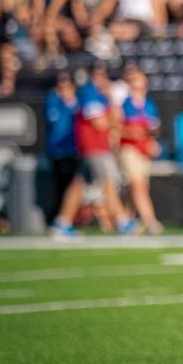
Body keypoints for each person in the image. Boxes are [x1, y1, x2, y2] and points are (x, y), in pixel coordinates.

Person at [75, 63, 137, 235]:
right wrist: (113, 119)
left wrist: (112, 102)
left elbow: (117, 118)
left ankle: (63, 221)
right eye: (98, 74)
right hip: (93, 146)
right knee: (108, 182)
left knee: (78, 185)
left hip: (100, 145)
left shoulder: (103, 95)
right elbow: (100, 123)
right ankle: (122, 220)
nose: (102, 78)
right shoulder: (89, 92)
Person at [117, 67, 163, 235]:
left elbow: (154, 128)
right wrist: (130, 132)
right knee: (138, 186)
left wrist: (152, 140)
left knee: (137, 187)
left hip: (144, 148)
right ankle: (150, 221)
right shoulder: (124, 104)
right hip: (129, 148)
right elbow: (115, 128)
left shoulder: (149, 104)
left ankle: (126, 221)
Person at [46, 72, 84, 239]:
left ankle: (67, 220)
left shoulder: (78, 101)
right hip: (59, 151)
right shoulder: (54, 101)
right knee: (62, 187)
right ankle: (60, 221)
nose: (64, 89)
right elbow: (56, 124)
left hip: (75, 150)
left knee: (73, 185)